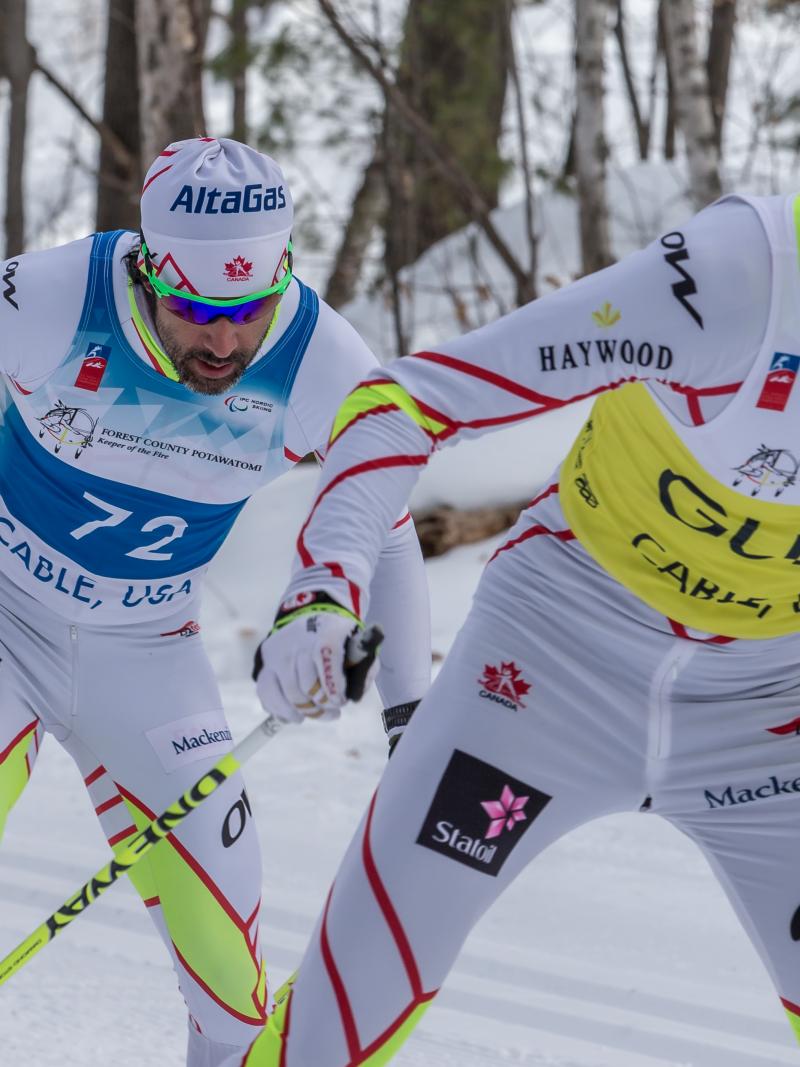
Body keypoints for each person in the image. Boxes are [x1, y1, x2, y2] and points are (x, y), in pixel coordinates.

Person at [242, 190, 800, 1065]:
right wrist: (322, 584)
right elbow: (408, 400)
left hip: (770, 714)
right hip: (550, 661)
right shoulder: (738, 283)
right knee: (330, 1038)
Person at [0, 137, 430, 1067]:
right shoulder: (50, 299)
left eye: (248, 310)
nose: (226, 342)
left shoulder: (320, 359)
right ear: (149, 267)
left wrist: (408, 719)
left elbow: (387, 525)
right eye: (195, 310)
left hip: (146, 655)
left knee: (234, 996)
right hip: (6, 616)